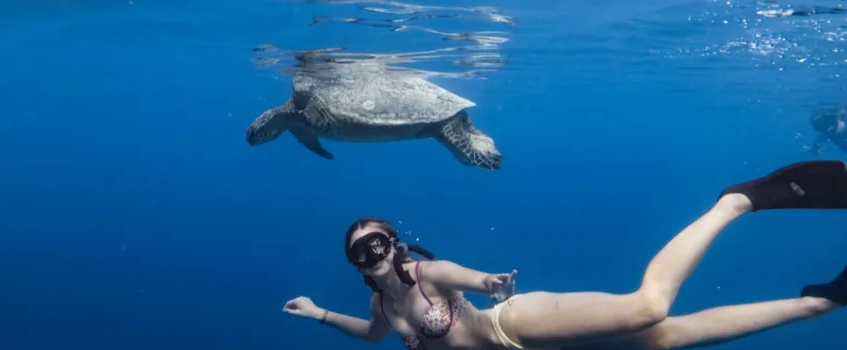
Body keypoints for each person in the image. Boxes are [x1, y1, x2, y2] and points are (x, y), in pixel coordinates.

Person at [283, 160, 847, 350]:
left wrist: (493, 284)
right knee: (670, 339)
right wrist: (318, 314)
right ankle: (819, 305)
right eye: (360, 251)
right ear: (354, 263)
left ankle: (735, 203)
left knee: (647, 310)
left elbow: (471, 277)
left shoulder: (428, 273)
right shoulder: (384, 310)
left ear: (397, 245)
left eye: (379, 242)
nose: (372, 254)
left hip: (515, 323)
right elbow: (370, 335)